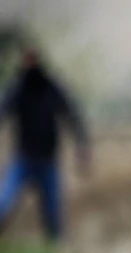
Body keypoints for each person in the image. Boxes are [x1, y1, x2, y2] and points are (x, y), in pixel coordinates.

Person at [0, 49, 90, 242]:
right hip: (23, 160)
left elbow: (73, 116)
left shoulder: (52, 88)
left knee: (53, 220)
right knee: (3, 205)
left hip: (48, 162)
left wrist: (82, 147)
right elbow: (3, 111)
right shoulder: (19, 88)